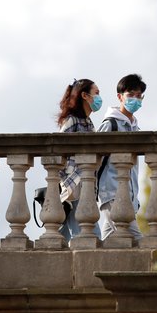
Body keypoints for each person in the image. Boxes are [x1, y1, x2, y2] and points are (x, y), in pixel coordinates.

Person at [96, 73, 146, 241]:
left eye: (139, 96)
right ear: (120, 96)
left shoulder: (134, 127)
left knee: (108, 238)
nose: (135, 99)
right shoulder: (111, 124)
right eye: (130, 95)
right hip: (111, 193)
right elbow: (95, 157)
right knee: (137, 239)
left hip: (129, 196)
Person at [57, 78, 103, 242]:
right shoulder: (72, 121)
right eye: (96, 93)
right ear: (85, 95)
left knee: (71, 234)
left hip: (85, 183)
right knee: (88, 235)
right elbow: (58, 151)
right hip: (74, 184)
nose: (99, 98)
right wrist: (65, 181)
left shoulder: (87, 122)